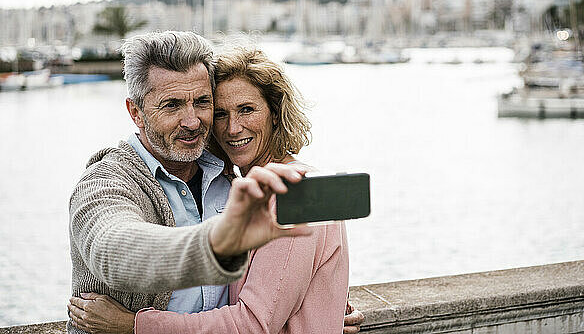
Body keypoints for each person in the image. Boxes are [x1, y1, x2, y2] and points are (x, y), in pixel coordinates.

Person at [68, 44, 365, 333]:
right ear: (136, 112)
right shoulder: (109, 181)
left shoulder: (296, 191)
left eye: (202, 103)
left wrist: (134, 325)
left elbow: (254, 323)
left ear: (275, 112)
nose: (194, 121)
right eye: (221, 113)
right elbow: (112, 246)